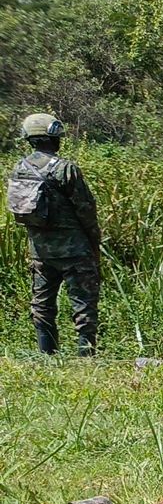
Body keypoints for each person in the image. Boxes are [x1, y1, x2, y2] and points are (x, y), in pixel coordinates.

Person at [7, 113, 100, 356]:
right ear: (53, 137)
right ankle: (86, 356)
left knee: (42, 303)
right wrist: (94, 242)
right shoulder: (66, 169)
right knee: (83, 304)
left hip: (40, 251)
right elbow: (86, 210)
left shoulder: (19, 168)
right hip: (74, 251)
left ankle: (47, 356)